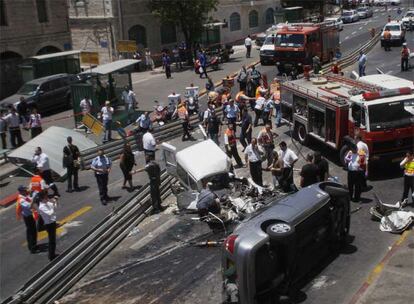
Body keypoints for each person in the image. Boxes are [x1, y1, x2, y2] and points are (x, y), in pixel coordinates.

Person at [15, 185, 38, 254]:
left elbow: (30, 198)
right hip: (28, 217)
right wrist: (33, 198)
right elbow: (29, 206)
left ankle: (33, 245)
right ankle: (32, 248)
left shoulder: (25, 196)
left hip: (30, 216)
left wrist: (34, 194)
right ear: (21, 191)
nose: (26, 191)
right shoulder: (21, 200)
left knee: (32, 231)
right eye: (25, 190)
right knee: (31, 233)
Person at [36, 190, 58, 260]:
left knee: (53, 240)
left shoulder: (47, 202)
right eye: (46, 196)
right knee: (52, 241)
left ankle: (52, 254)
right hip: (49, 225)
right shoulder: (41, 207)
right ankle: (51, 256)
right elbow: (50, 213)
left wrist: (56, 201)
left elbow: (55, 207)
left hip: (53, 223)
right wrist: (53, 204)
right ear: (43, 197)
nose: (47, 197)